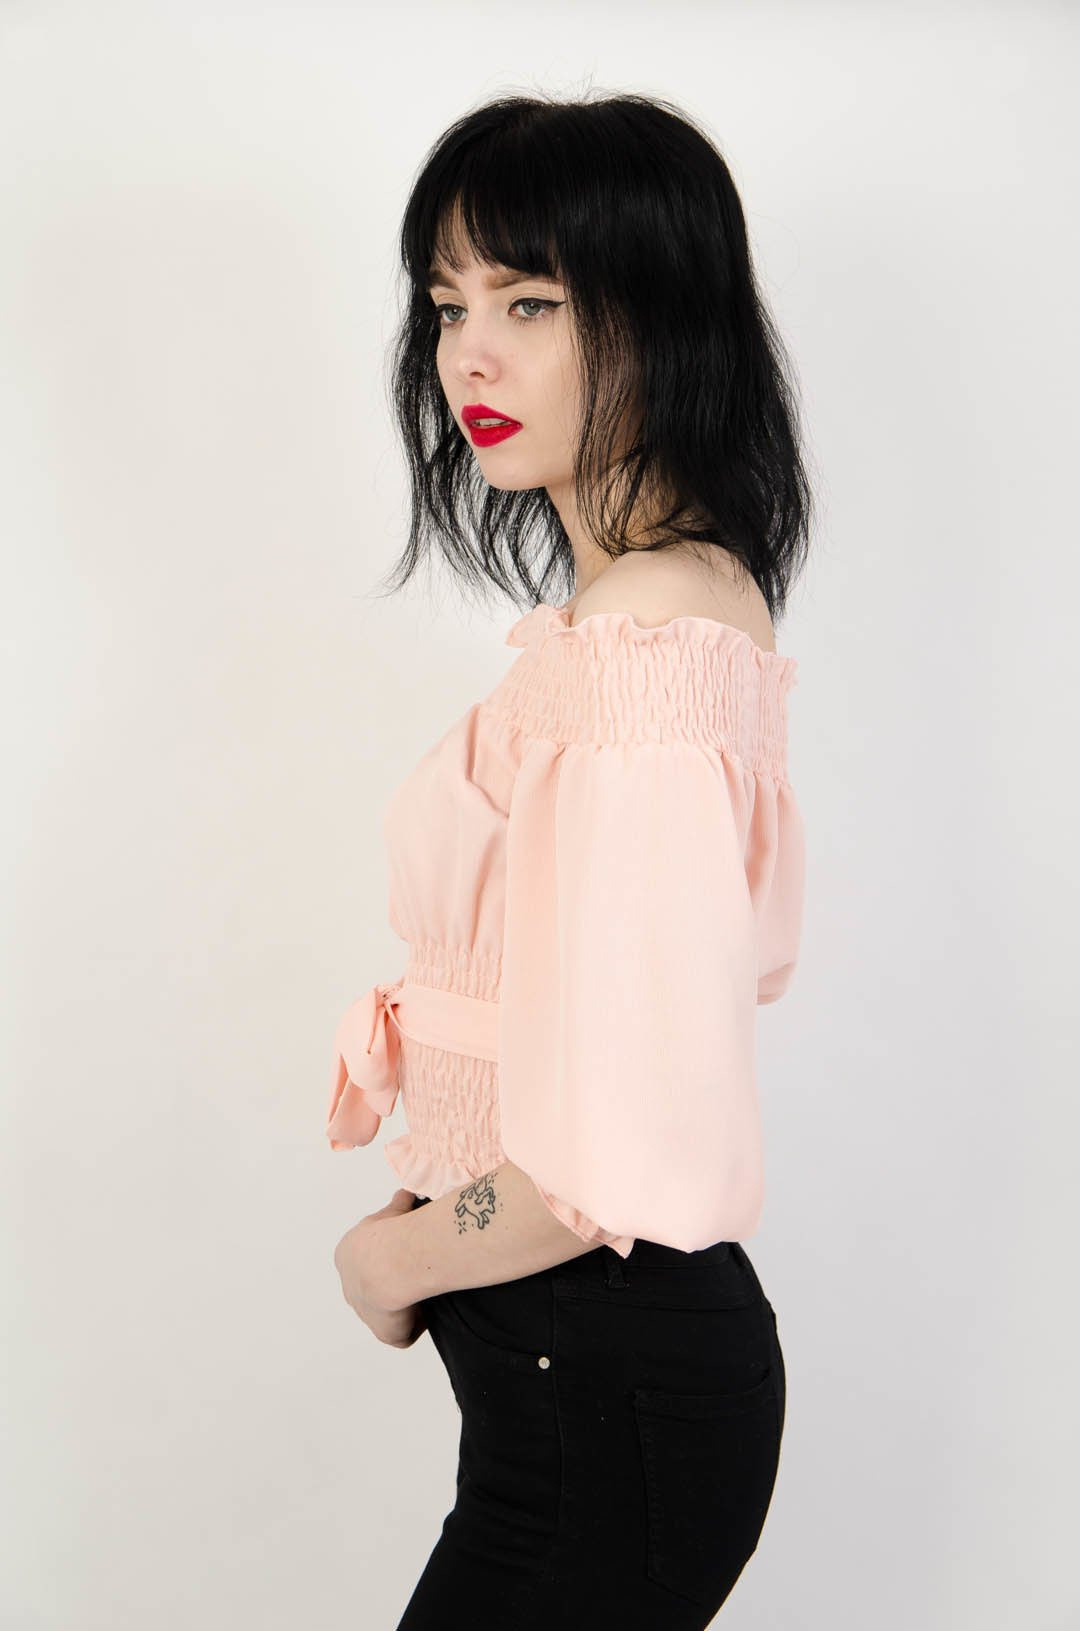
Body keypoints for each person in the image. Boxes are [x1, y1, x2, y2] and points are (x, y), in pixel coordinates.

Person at [327, 89, 814, 1629]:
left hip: (600, 1377)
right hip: (584, 1374)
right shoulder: (652, 615)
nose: (469, 355)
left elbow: (614, 1159)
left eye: (530, 302)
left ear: (659, 319)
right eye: (449, 305)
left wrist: (392, 1264)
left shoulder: (644, 647)